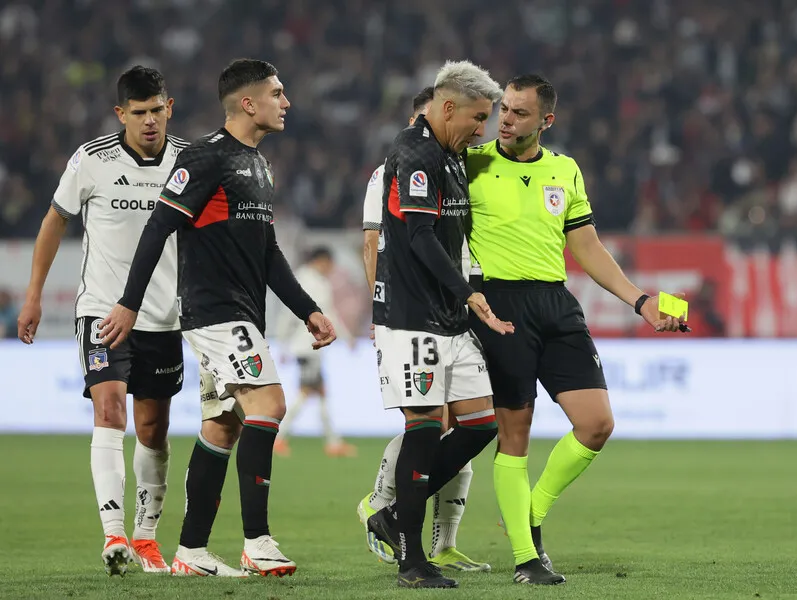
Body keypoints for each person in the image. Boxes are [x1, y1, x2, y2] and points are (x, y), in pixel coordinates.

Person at [98, 58, 337, 578]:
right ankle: (257, 541)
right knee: (269, 405)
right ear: (248, 102)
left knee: (224, 426)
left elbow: (269, 253)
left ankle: (191, 551)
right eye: (278, 92)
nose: (286, 101)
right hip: (214, 314)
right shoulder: (205, 157)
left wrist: (309, 311)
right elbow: (157, 227)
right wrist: (129, 302)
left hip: (244, 313)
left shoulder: (259, 164)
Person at [465, 74, 688, 585]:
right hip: (500, 303)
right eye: (504, 108)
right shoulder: (472, 164)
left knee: (596, 424)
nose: (506, 119)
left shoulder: (564, 170)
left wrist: (641, 301)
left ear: (546, 120)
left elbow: (586, 246)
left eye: (519, 113)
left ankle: (532, 513)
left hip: (555, 302)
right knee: (514, 433)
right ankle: (525, 558)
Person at [16, 66, 187, 576]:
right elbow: (54, 220)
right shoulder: (91, 160)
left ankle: (146, 536)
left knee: (152, 429)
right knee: (108, 409)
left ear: (169, 107)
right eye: (139, 113)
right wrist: (33, 295)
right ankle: (114, 535)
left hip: (163, 315)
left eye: (157, 110)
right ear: (121, 114)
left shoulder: (187, 161)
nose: (150, 121)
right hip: (101, 310)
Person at [364, 60, 513, 589]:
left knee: (479, 424)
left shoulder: (450, 156)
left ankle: (392, 515)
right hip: (411, 319)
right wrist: (469, 293)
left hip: (447, 318)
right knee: (424, 430)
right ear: (447, 108)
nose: (483, 129)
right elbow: (422, 238)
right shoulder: (414, 154)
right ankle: (412, 561)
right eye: (478, 117)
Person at [273, 246, 357, 458]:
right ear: (322, 261)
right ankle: (278, 438)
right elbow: (295, 313)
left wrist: (346, 336)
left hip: (310, 347)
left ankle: (333, 442)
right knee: (306, 392)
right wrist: (283, 343)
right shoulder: (309, 280)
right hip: (307, 346)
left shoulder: (310, 279)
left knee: (320, 393)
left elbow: (325, 315)